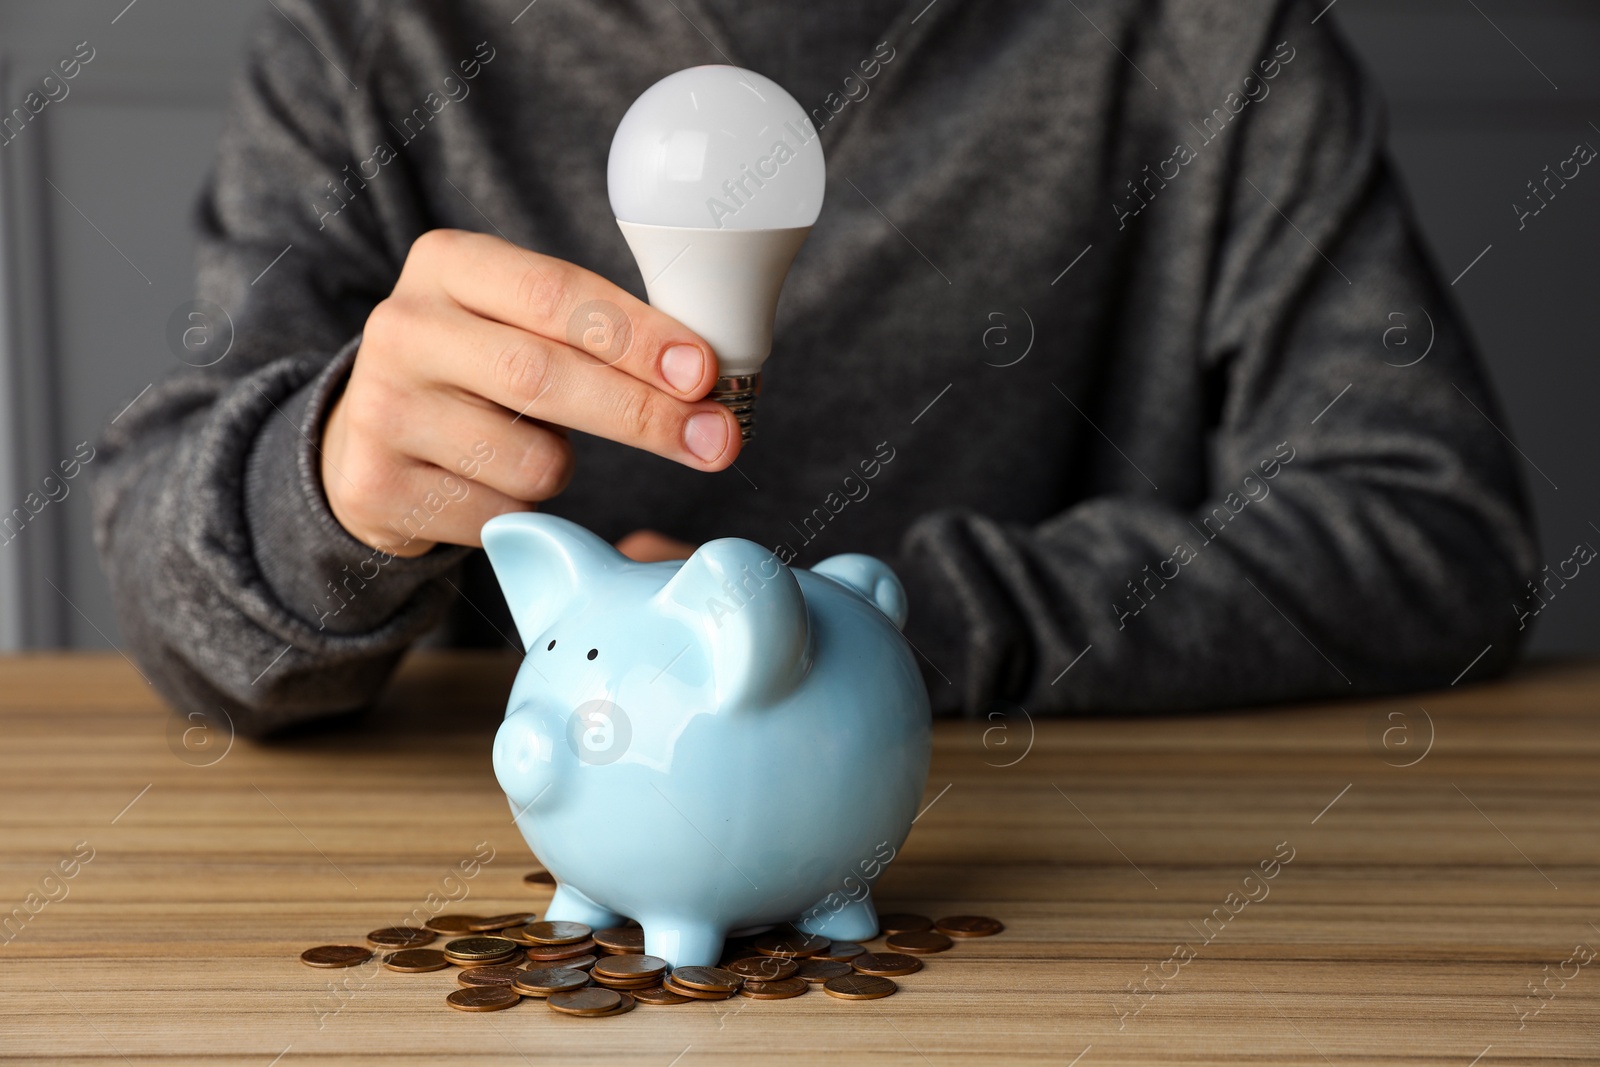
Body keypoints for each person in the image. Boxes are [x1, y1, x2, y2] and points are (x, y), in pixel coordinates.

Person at [91, 0, 1536, 738]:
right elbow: (167, 570)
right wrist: (332, 487)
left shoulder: (1203, 36)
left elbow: (1436, 532)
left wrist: (876, 634)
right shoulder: (375, 37)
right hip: (562, 841)